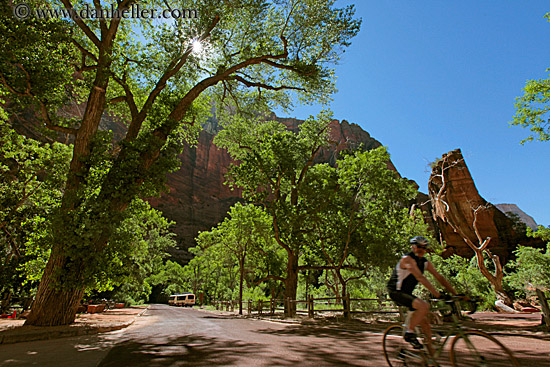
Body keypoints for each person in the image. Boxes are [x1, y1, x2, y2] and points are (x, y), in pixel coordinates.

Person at [387, 236, 457, 351]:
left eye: (424, 247)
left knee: (424, 321)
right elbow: (419, 277)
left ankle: (429, 356)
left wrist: (456, 294)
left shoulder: (425, 263)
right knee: (424, 306)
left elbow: (439, 277)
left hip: (407, 293)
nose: (422, 250)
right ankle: (409, 333)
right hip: (396, 291)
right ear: (413, 247)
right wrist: (437, 294)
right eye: (419, 247)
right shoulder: (407, 259)